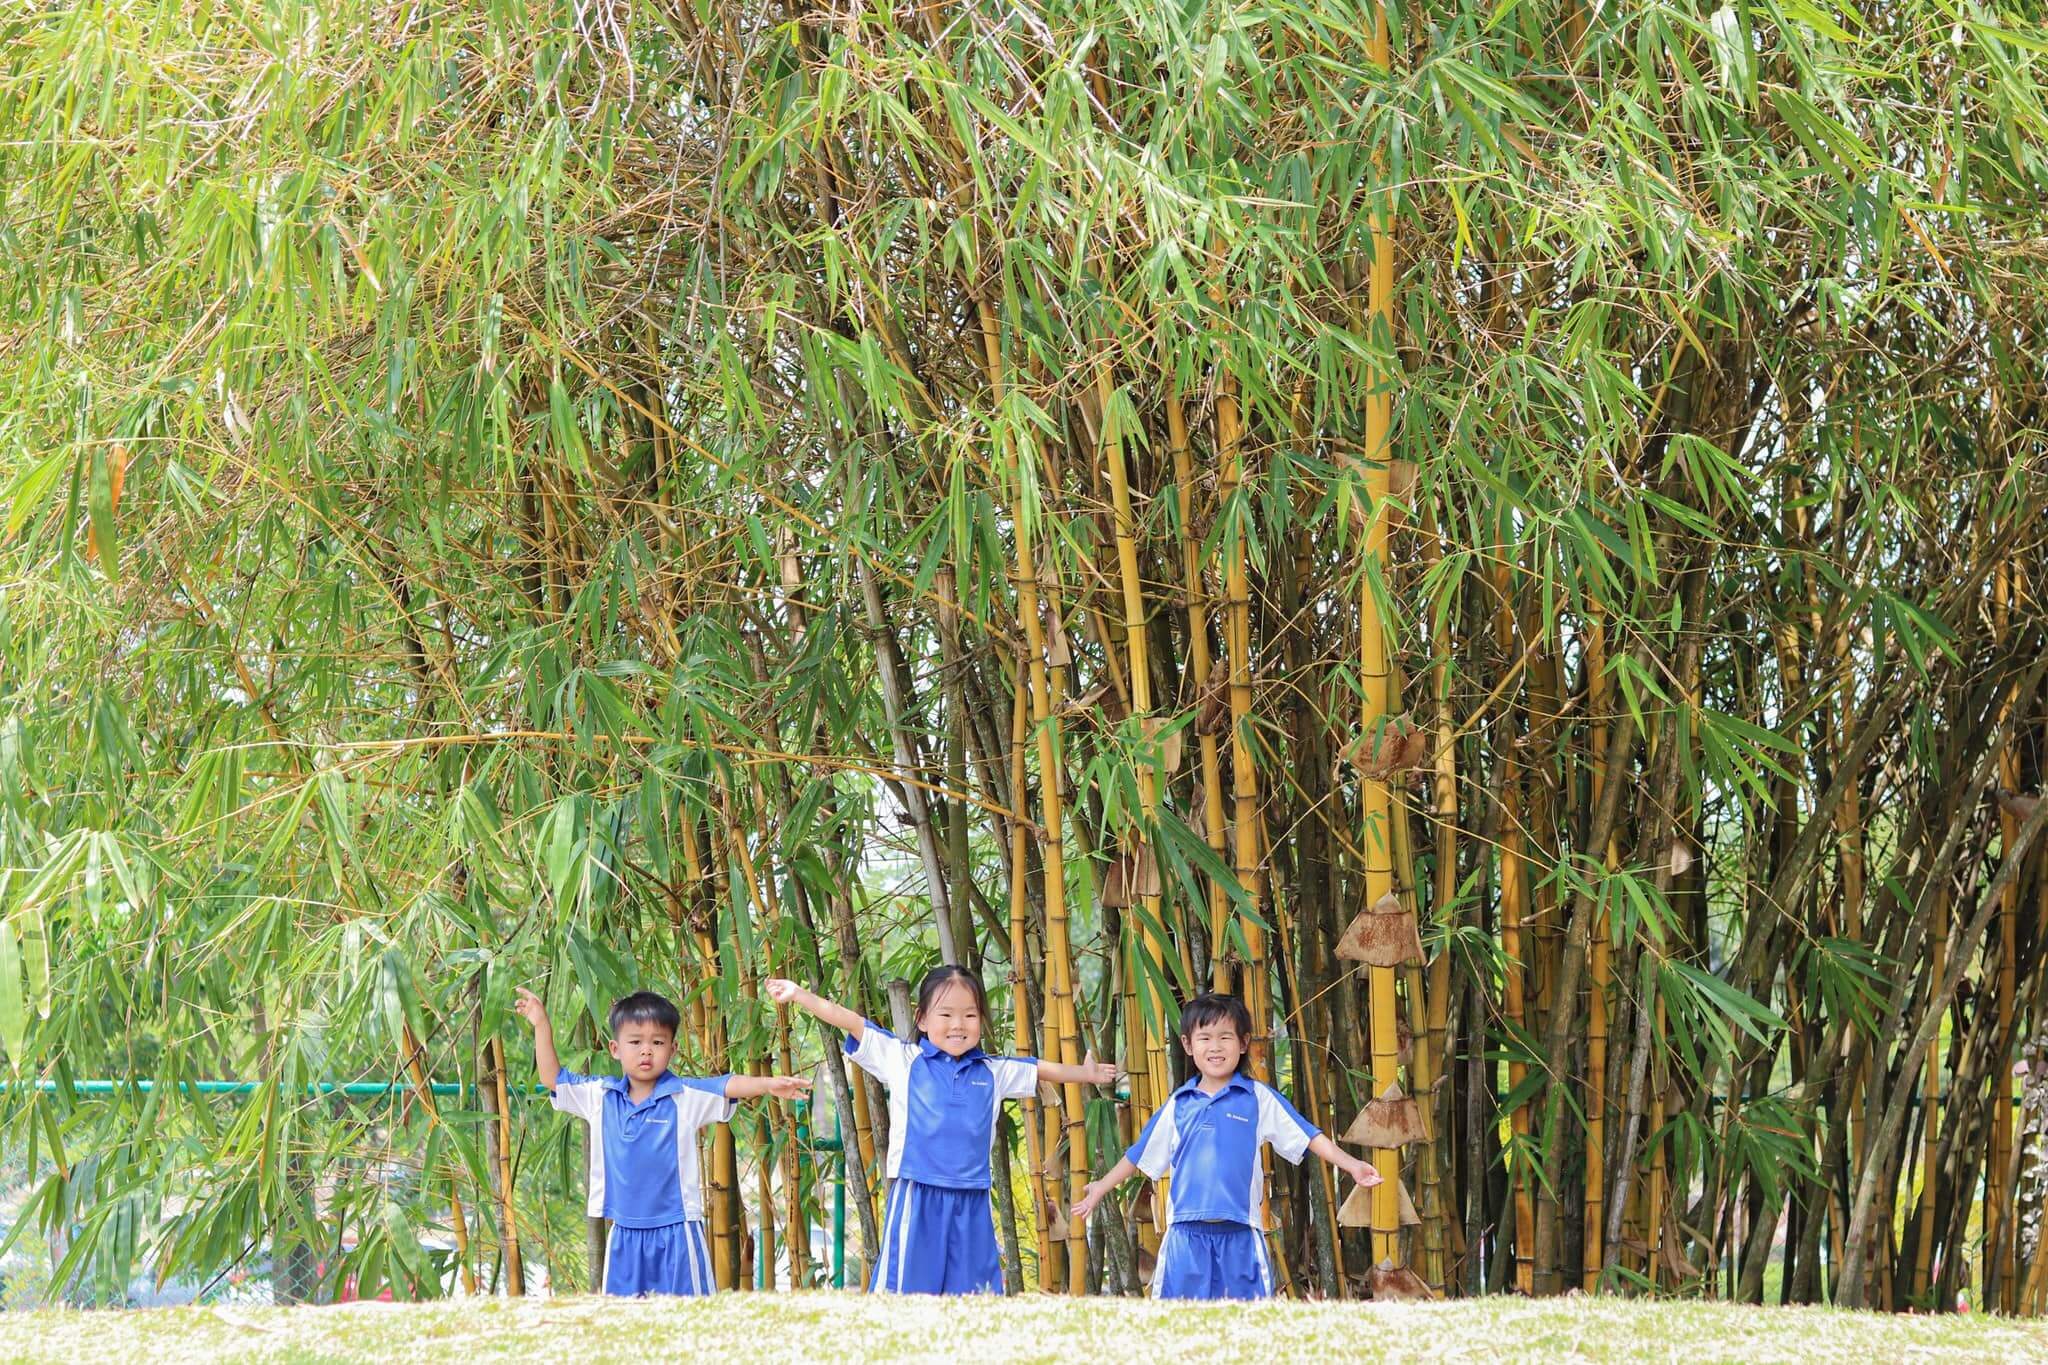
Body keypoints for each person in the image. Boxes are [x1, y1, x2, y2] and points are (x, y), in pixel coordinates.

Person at [765, 965, 1115, 1294]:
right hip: (917, 1191)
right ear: (922, 1018)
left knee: (974, 1295)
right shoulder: (903, 1060)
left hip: (973, 1195)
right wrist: (798, 994)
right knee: (903, 1293)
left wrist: (1087, 1075)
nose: (958, 1025)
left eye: (970, 1015)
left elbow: (1040, 1069)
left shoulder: (993, 1071)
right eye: (946, 1015)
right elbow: (850, 1021)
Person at [1069, 991, 1381, 1300]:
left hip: (1242, 1233)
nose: (1215, 1047)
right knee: (1177, 1325)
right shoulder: (1179, 1104)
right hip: (1184, 1236)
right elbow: (1138, 1155)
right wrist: (1101, 1187)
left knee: (1247, 1323)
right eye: (1205, 1038)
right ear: (1188, 1046)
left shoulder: (1257, 1098)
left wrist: (1351, 1165)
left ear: (1244, 1043)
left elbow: (1309, 1136)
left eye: (1225, 1038)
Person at [514, 985, 810, 1296]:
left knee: (690, 1318)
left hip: (679, 1230)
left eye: (657, 1042)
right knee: (624, 1322)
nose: (646, 1050)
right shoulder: (600, 1097)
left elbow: (726, 1084)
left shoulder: (685, 1096)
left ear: (673, 1049)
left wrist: (770, 1084)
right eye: (635, 1042)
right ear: (615, 1049)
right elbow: (554, 1079)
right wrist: (541, 1024)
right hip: (624, 1231)